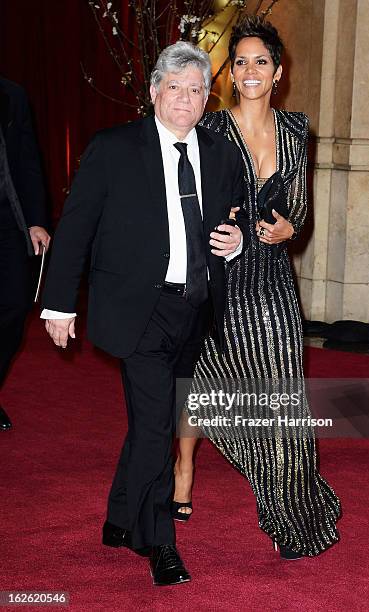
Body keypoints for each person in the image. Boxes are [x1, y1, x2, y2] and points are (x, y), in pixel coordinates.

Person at [41, 41, 248, 586]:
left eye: (196, 89)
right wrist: (59, 304)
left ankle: (117, 518)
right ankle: (159, 543)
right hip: (138, 311)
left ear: (208, 98)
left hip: (196, 310)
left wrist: (236, 243)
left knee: (152, 422)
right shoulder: (113, 148)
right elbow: (76, 229)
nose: (185, 98)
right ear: (154, 91)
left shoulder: (222, 155)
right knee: (157, 426)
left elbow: (227, 225)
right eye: (174, 87)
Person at [173, 17, 341, 558]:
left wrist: (290, 228)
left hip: (271, 280)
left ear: (278, 72)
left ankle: (290, 507)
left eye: (260, 61)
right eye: (240, 61)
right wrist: (227, 234)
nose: (249, 70)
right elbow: (194, 203)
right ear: (230, 73)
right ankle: (184, 464)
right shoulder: (211, 130)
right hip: (221, 277)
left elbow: (299, 211)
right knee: (208, 380)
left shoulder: (296, 130)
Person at [0, 77, 50, 431]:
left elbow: (28, 160)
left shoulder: (12, 94)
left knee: (15, 306)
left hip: (7, 219)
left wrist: (36, 220)